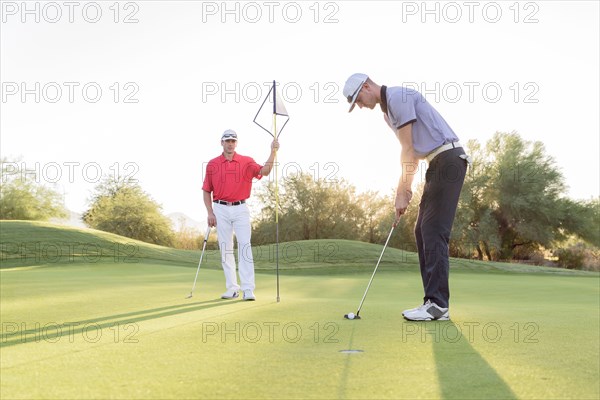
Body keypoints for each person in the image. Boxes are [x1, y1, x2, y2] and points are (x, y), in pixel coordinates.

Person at [343, 73, 469, 321]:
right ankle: (432, 302)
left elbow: (408, 150)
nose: (359, 106)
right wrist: (403, 190)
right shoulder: (387, 113)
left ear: (366, 86)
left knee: (433, 230)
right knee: (422, 230)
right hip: (437, 164)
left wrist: (403, 191)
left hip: (449, 160)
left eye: (358, 99)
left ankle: (437, 305)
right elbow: (409, 152)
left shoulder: (398, 98)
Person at [202, 129, 279, 301]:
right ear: (221, 143)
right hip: (220, 208)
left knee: (244, 247)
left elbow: (264, 171)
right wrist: (210, 212)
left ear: (236, 143)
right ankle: (232, 288)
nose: (230, 143)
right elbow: (207, 190)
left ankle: (248, 289)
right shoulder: (213, 164)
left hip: (240, 208)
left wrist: (273, 151)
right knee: (225, 249)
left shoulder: (246, 161)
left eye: (233, 141)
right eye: (227, 140)